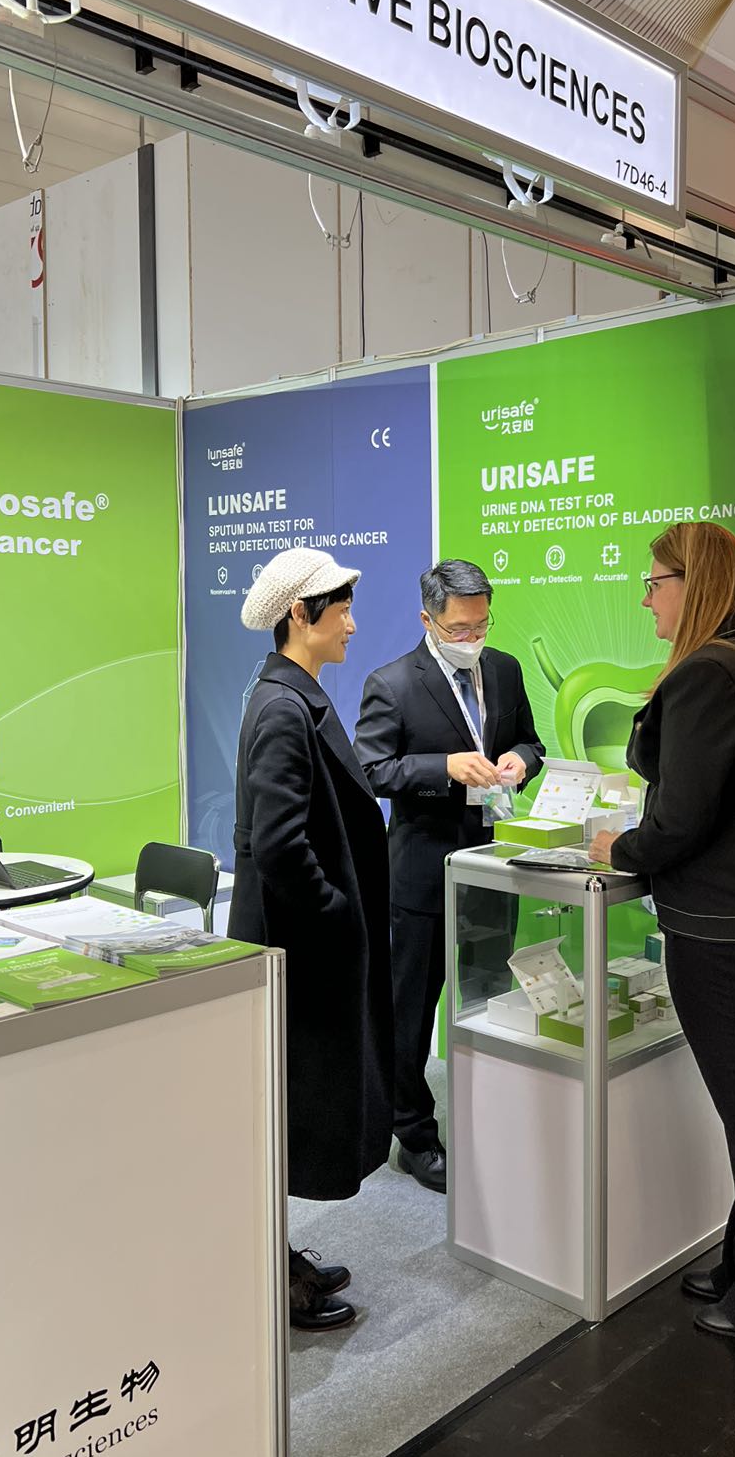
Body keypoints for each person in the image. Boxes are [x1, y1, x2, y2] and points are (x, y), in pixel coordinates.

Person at [588, 522, 735, 1342]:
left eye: (655, 582)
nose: (647, 599)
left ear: (693, 584)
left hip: (726, 922)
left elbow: (681, 819)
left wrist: (619, 848)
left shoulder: (707, 673)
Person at [229, 547, 394, 1332]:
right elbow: (279, 844)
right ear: (301, 614)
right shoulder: (283, 710)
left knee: (287, 1116)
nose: (353, 625)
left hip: (302, 947)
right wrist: (337, 916)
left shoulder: (292, 699)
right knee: (284, 1119)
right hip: (298, 952)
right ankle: (270, 1277)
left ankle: (276, 1259)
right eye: (343, 609)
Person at [355, 559, 545, 1192]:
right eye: (459, 629)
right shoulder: (392, 684)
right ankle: (413, 1134)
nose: (472, 639)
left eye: (481, 625)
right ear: (428, 620)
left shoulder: (505, 669)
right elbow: (372, 770)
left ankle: (485, 1117)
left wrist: (520, 760)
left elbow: (532, 741)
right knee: (411, 1011)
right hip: (423, 876)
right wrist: (444, 768)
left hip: (492, 867)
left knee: (489, 998)